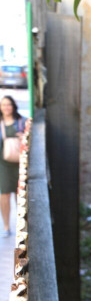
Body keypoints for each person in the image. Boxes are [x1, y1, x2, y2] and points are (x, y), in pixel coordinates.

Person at [0, 96, 26, 237]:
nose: (6, 107)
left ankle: (20, 225)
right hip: (3, 163)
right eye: (3, 105)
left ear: (13, 106)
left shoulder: (21, 121)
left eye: (9, 104)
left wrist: (23, 137)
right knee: (4, 194)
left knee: (19, 195)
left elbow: (30, 139)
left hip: (19, 162)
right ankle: (6, 226)